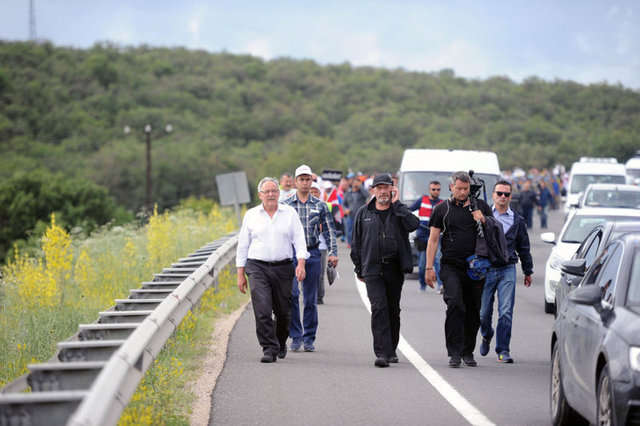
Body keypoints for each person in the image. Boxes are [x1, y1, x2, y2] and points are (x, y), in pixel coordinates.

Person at [351, 173, 420, 368]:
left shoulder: (399, 211)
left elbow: (413, 224)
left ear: (392, 189)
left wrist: (398, 205)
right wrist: (359, 269)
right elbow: (356, 243)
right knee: (378, 307)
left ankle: (391, 349)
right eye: (379, 188)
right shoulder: (364, 212)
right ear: (373, 190)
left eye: (386, 187)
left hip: (394, 268)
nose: (383, 191)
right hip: (372, 268)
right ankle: (381, 352)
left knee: (392, 309)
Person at [236, 177, 308, 363]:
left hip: (283, 267)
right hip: (257, 267)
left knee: (284, 312)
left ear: (279, 193)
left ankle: (280, 341)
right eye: (267, 191)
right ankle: (269, 348)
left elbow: (299, 240)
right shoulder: (251, 215)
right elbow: (243, 245)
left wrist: (301, 264)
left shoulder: (289, 213)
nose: (271, 194)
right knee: (263, 309)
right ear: (260, 195)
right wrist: (240, 274)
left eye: (274, 191)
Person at [425, 171, 493, 368]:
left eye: (466, 189)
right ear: (451, 187)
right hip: (450, 266)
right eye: (459, 188)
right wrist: (429, 267)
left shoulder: (481, 206)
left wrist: (484, 219)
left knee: (473, 310)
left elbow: (494, 231)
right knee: (455, 304)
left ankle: (467, 351)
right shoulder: (441, 209)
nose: (463, 192)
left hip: (476, 268)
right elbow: (433, 239)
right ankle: (454, 352)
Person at [283, 164, 338, 352]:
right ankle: (295, 335)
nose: (305, 183)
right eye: (302, 179)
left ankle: (309, 338)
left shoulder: (320, 205)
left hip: (312, 253)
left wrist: (333, 252)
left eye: (308, 179)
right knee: (292, 295)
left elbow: (329, 230)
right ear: (295, 182)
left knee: (310, 299)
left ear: (311, 181)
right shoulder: (286, 206)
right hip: (291, 255)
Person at [479, 181, 533, 364]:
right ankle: (487, 334)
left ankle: (503, 349)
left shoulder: (517, 221)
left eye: (506, 194)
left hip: (507, 267)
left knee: (506, 312)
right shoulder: (484, 215)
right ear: (493, 195)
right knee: (483, 313)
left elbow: (524, 248)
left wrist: (527, 271)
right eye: (499, 193)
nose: (502, 197)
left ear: (510, 197)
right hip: (486, 268)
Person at [409, 181, 443, 292]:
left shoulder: (442, 203)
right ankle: (422, 285)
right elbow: (409, 211)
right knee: (422, 264)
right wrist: (414, 222)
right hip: (422, 237)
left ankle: (440, 285)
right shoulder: (421, 200)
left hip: (436, 237)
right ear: (429, 190)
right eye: (433, 189)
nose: (436, 191)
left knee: (438, 260)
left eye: (438, 189)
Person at [309, 182, 328, 305]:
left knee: (319, 272)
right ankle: (309, 295)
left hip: (321, 245)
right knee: (307, 272)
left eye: (315, 192)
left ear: (319, 193)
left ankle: (319, 296)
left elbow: (328, 227)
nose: (313, 194)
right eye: (311, 192)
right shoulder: (303, 207)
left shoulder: (323, 207)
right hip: (306, 245)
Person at [343, 178, 369, 248]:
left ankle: (360, 243)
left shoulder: (362, 193)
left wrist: (360, 187)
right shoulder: (348, 194)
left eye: (358, 184)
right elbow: (344, 204)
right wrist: (346, 209)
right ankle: (350, 242)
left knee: (360, 229)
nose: (356, 185)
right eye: (355, 183)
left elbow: (367, 195)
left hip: (361, 215)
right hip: (350, 215)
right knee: (349, 229)